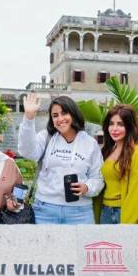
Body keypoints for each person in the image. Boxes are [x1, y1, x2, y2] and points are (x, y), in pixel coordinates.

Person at [18, 94, 103, 224]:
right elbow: (27, 152)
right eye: (55, 115)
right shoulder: (46, 137)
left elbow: (97, 178)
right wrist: (29, 118)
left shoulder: (90, 143)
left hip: (80, 213)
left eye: (64, 113)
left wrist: (87, 187)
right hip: (45, 210)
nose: (60, 119)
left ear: (73, 114)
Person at [95, 104, 138, 224]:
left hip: (125, 213)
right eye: (111, 124)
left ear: (129, 127)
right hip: (105, 211)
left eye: (120, 124)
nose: (114, 129)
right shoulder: (106, 151)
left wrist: (125, 224)